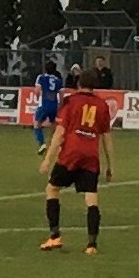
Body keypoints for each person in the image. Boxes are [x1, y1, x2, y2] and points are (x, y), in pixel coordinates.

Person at [40, 69, 115, 255]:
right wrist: (110, 165)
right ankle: (91, 245)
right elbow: (106, 138)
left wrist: (48, 159)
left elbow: (59, 133)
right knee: (91, 198)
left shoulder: (70, 102)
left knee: (52, 189)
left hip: (70, 155)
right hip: (91, 157)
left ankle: (54, 236)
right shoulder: (102, 105)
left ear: (79, 83)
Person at [32, 60, 64, 153]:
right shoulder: (58, 80)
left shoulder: (41, 77)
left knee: (37, 124)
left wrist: (38, 99)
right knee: (53, 124)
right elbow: (62, 94)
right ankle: (58, 143)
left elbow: (37, 90)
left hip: (44, 104)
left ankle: (42, 144)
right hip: (54, 105)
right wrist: (60, 106)